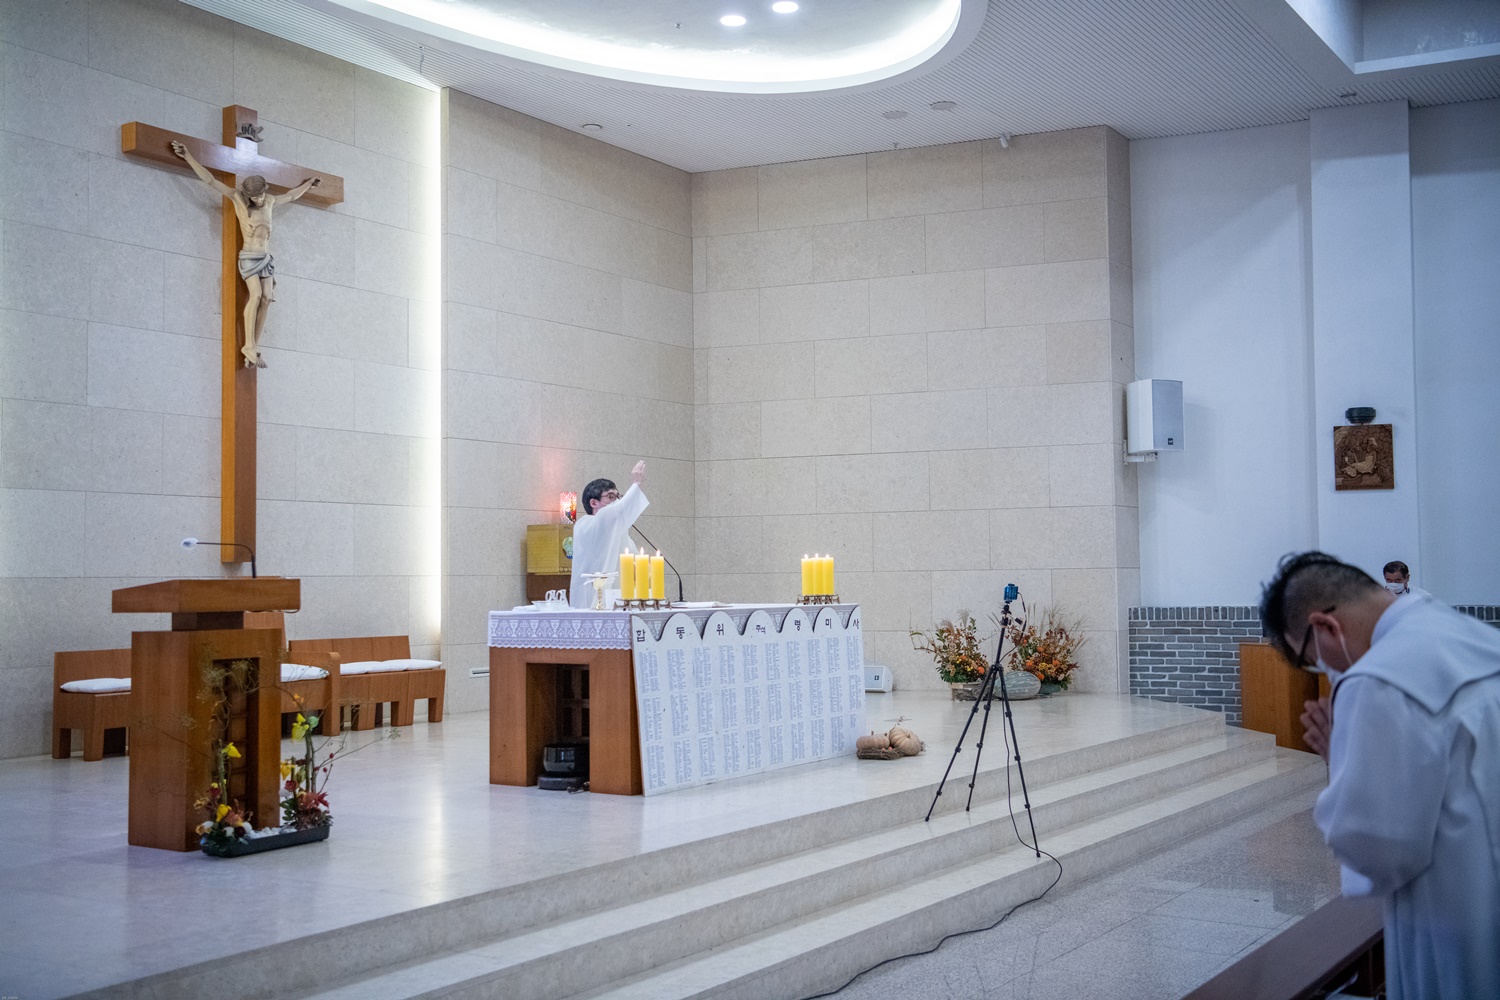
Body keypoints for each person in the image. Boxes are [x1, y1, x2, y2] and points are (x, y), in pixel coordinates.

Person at [1260, 551, 1500, 999]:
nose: (1327, 670)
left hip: (1460, 923)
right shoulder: (1470, 634)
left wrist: (1340, 758)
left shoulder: (1376, 680)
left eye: (1313, 660)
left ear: (1325, 626)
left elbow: (1378, 850)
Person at [170, 140, 321, 368]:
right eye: (255, 197)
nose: (259, 199)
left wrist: (308, 184)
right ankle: (248, 345)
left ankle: (253, 346)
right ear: (248, 195)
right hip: (249, 257)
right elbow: (210, 180)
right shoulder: (238, 200)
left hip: (266, 258)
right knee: (256, 295)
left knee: (267, 298)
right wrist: (188, 156)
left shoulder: (269, 201)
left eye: (261, 195)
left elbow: (291, 196)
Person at [569, 461, 648, 608]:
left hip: (621, 601)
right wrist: (636, 485)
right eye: (611, 496)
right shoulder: (586, 525)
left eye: (618, 496)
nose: (616, 501)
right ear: (594, 503)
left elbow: (638, 566)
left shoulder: (619, 533)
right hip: (592, 600)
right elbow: (612, 513)